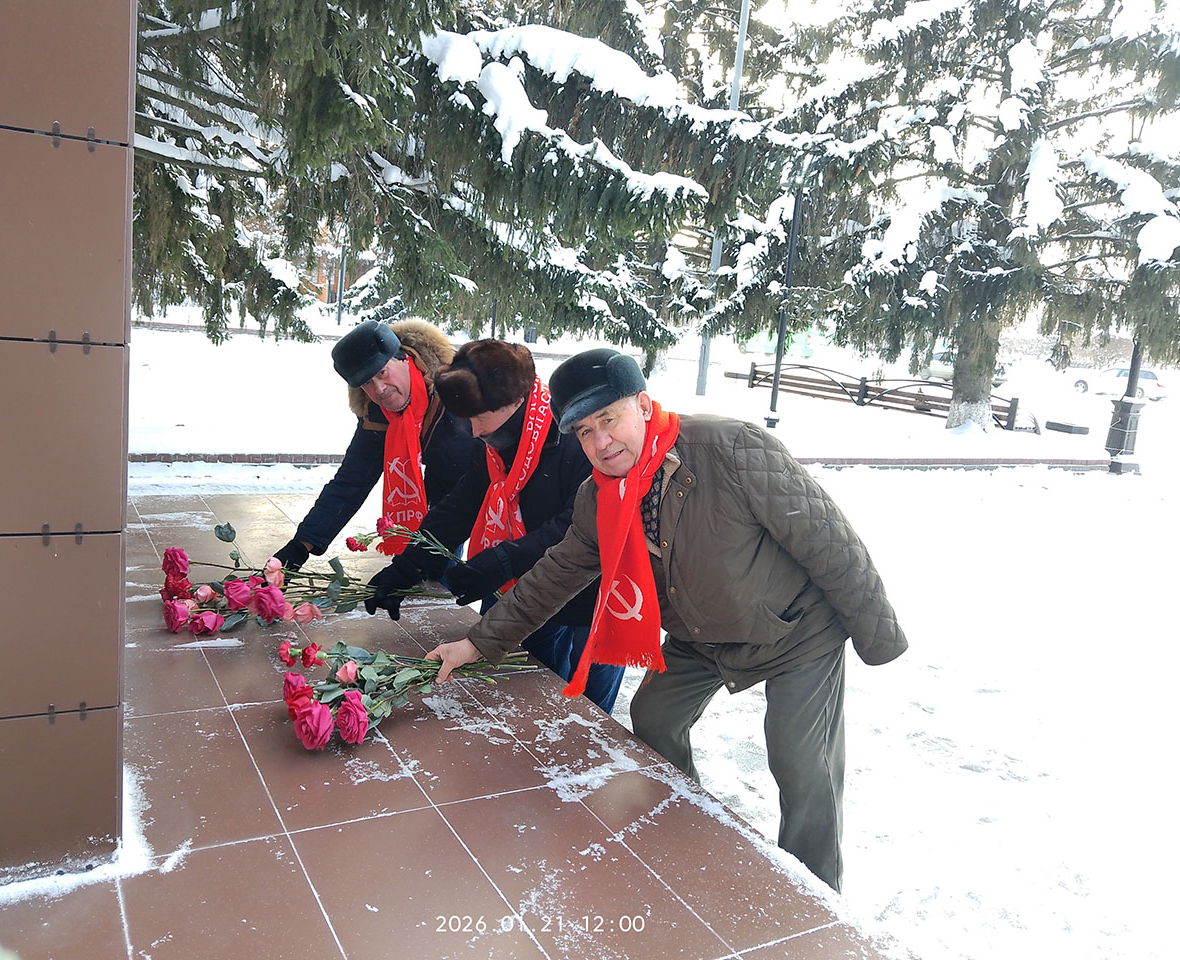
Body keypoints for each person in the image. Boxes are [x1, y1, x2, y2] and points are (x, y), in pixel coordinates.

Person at [426, 347, 907, 892]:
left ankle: (814, 901)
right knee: (654, 718)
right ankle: (694, 830)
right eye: (584, 431)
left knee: (801, 766)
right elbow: (555, 572)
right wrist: (476, 643)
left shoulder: (731, 449)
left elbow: (829, 541)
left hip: (794, 630)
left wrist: (878, 637)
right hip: (698, 638)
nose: (600, 442)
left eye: (608, 419)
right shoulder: (598, 497)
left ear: (642, 404)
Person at [363, 340, 624, 713]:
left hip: (599, 594)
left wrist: (505, 560)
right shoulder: (495, 439)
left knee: (592, 705)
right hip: (536, 595)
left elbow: (579, 526)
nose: (473, 431)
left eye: (481, 419)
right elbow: (463, 502)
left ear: (515, 403)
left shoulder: (576, 435)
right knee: (540, 695)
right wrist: (406, 567)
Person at [272, 319, 474, 570]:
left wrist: (420, 559)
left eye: (382, 372)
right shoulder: (377, 414)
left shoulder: (456, 391)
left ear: (403, 358)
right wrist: (300, 546)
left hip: (495, 494)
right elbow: (351, 481)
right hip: (447, 487)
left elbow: (467, 493)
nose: (380, 390)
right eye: (367, 383)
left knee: (455, 571)